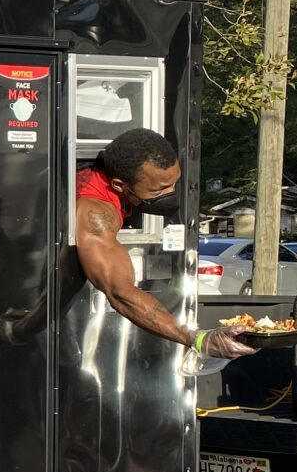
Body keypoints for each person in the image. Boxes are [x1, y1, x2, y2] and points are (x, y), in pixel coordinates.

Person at [75, 128, 252, 360]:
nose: (171, 194)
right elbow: (121, 293)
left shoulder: (113, 185)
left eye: (174, 184)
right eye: (159, 189)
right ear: (120, 186)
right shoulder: (95, 212)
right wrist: (197, 339)